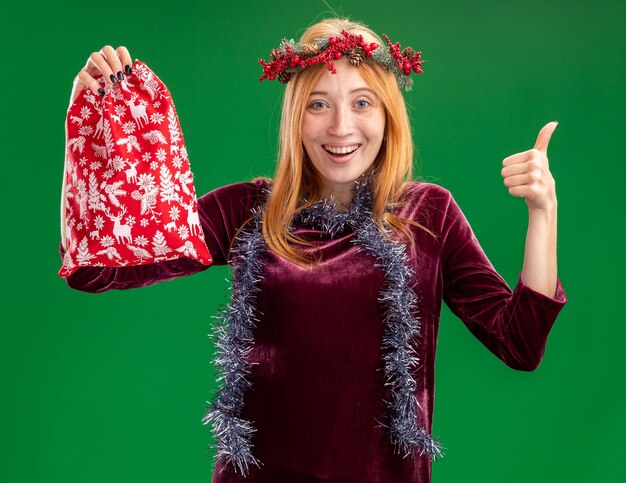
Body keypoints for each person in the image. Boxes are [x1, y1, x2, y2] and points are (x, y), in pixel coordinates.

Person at [59, 17, 567, 483]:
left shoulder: (428, 214)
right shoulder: (248, 210)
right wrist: (90, 125)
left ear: (389, 115)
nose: (340, 127)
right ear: (296, 117)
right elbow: (99, 270)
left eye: (362, 103)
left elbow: (519, 343)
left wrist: (544, 212)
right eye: (318, 104)